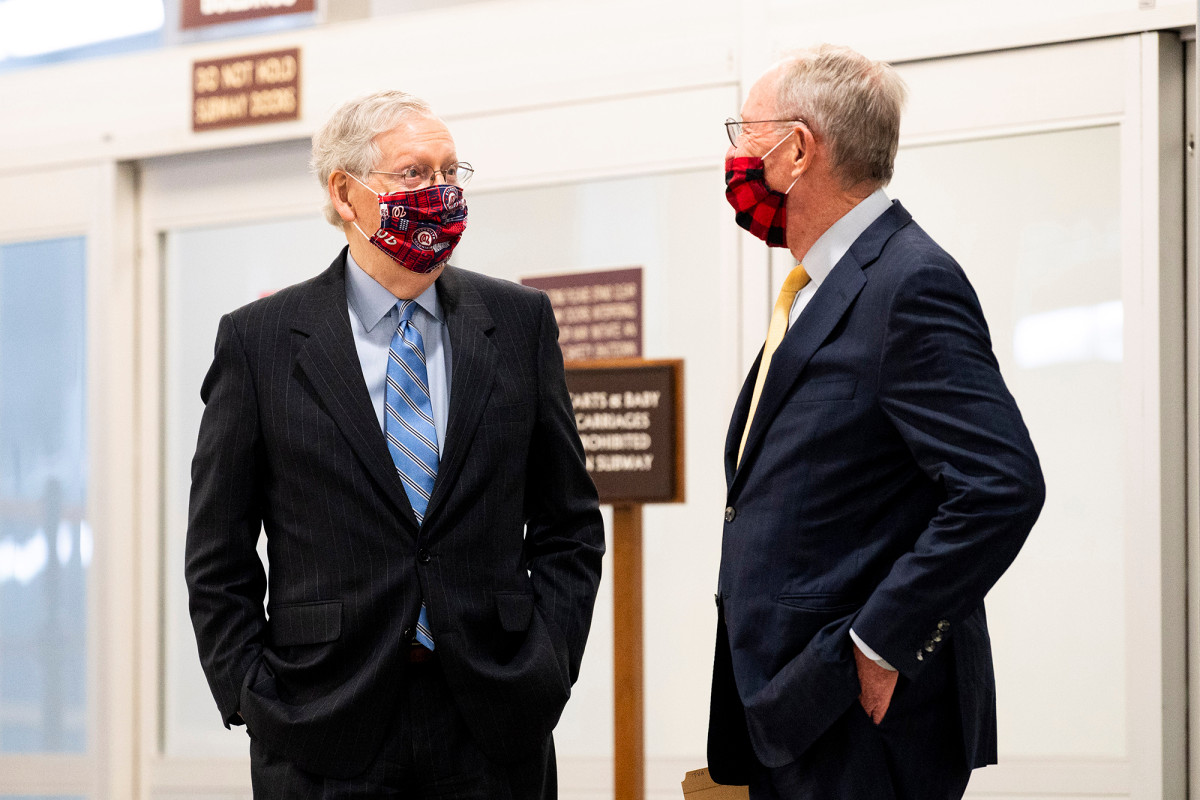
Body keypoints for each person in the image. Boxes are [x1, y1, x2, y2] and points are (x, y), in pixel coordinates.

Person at [185, 89, 604, 799]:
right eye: (415, 174)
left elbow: (568, 524)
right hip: (321, 725)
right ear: (346, 194)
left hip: (494, 720)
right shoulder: (258, 342)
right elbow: (217, 553)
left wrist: (548, 663)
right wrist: (252, 693)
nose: (440, 193)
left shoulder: (519, 320)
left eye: (451, 172)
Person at [707, 45, 1045, 800]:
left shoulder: (907, 281)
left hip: (859, 716)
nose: (734, 155)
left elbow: (1001, 488)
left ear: (797, 149)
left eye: (745, 132)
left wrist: (876, 643)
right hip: (793, 710)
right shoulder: (825, 285)